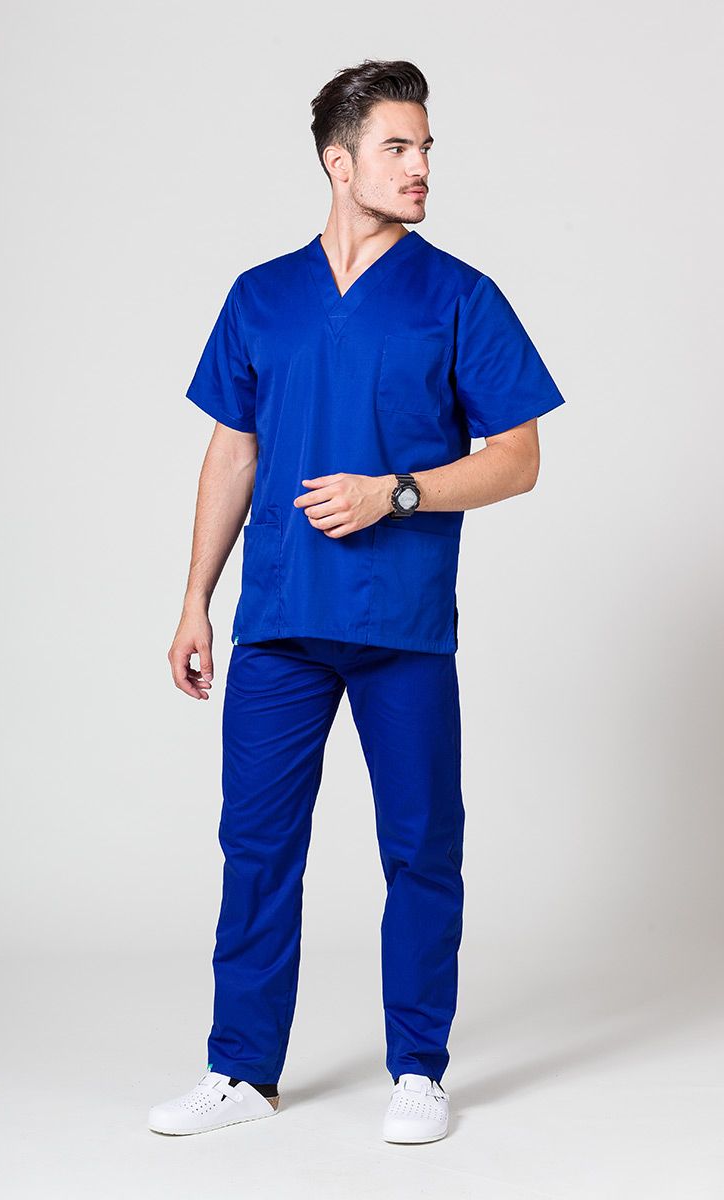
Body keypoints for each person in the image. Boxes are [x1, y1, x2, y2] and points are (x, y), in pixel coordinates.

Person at [148, 58, 565, 1145]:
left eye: (426, 148)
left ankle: (418, 1069)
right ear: (340, 164)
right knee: (256, 844)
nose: (421, 166)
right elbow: (232, 453)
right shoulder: (262, 297)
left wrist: (399, 491)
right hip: (280, 619)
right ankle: (242, 1071)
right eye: (397, 147)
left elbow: (517, 458)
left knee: (421, 848)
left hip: (400, 623)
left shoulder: (459, 297)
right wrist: (194, 599)